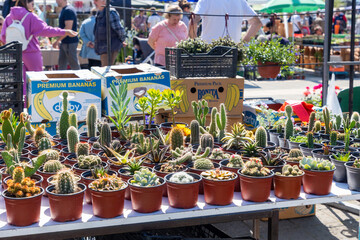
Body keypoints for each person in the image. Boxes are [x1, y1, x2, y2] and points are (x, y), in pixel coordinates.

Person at [0, 0, 77, 96]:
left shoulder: (8, 17)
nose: (33, 7)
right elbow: (46, 30)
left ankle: (23, 107)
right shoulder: (30, 16)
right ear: (27, 3)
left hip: (15, 54)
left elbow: (3, 37)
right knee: (37, 81)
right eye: (32, 4)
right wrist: (64, 32)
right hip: (32, 54)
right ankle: (36, 106)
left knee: (20, 83)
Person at [189, 0, 262, 43]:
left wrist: (196, 44)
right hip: (233, 53)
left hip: (209, 52)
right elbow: (257, 23)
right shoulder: (240, 1)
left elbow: (193, 21)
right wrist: (242, 44)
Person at [93, 0, 126, 67]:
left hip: (111, 46)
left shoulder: (110, 12)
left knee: (106, 69)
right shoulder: (99, 13)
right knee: (105, 69)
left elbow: (118, 29)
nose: (94, 2)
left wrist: (122, 40)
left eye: (96, 0)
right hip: (104, 47)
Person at [53, 0, 80, 70]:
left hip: (69, 42)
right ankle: (60, 80)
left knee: (74, 65)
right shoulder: (65, 10)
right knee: (62, 65)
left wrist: (58, 40)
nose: (56, 1)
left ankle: (81, 80)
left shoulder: (68, 10)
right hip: (65, 42)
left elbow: (68, 28)